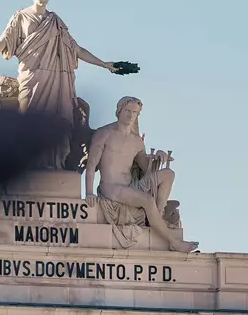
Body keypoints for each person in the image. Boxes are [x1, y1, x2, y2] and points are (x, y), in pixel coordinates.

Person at [0, 0, 119, 169]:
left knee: (60, 121)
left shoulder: (55, 21)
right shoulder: (21, 17)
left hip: (57, 78)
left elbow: (76, 49)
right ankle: (28, 165)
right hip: (32, 76)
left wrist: (104, 64)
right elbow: (3, 42)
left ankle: (56, 165)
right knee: (29, 119)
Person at [84, 96, 199, 253]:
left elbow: (146, 168)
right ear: (119, 111)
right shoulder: (104, 134)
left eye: (135, 113)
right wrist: (89, 192)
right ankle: (173, 241)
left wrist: (158, 156)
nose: (131, 115)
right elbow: (91, 165)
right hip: (111, 188)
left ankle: (158, 215)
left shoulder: (137, 141)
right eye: (128, 111)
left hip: (131, 186)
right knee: (147, 200)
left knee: (168, 174)